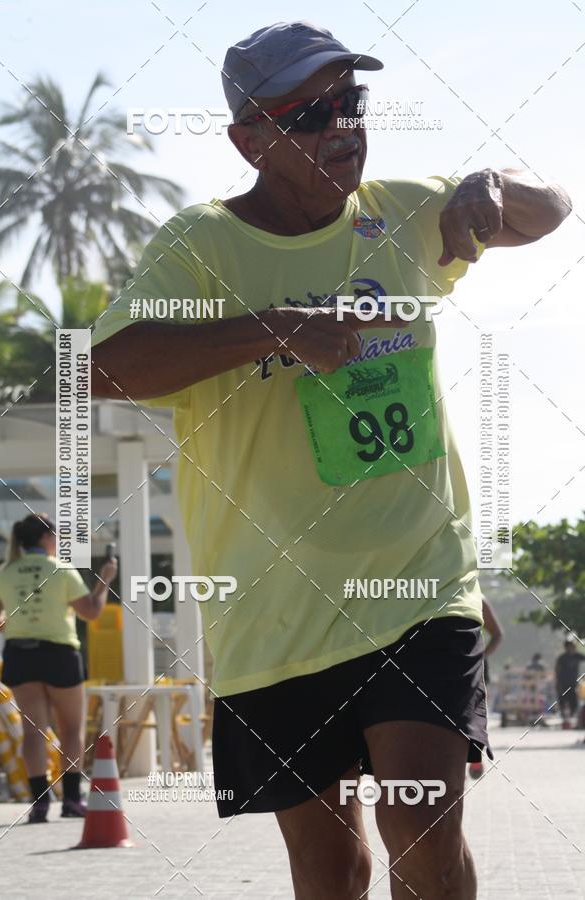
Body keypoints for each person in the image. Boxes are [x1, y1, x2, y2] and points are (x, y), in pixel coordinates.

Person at [90, 21, 571, 899]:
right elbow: (103, 365)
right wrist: (275, 331)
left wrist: (491, 187)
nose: (341, 128)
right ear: (248, 139)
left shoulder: (405, 208)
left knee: (421, 826)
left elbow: (553, 208)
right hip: (274, 615)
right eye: (309, 112)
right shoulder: (201, 245)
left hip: (419, 583)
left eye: (351, 103)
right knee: (332, 867)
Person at [0, 513, 117, 822]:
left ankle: (39, 802)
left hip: (21, 653)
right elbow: (92, 612)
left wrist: (17, 629)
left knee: (33, 733)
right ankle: (71, 800)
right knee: (71, 728)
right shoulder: (62, 570)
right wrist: (105, 581)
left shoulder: (6, 572)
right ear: (46, 538)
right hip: (59, 653)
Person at [468, 598, 503, 778]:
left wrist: (481, 656)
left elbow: (497, 634)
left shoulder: (479, 599)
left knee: (475, 714)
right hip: (444, 663)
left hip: (474, 666)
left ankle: (475, 757)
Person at [555, 639, 585, 729]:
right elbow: (557, 669)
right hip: (563, 683)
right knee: (562, 701)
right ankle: (564, 719)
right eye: (570, 646)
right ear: (566, 647)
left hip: (573, 683)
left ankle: (572, 719)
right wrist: (557, 682)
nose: (572, 648)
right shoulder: (562, 657)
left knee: (573, 702)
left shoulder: (577, 656)